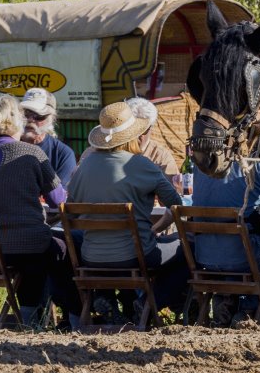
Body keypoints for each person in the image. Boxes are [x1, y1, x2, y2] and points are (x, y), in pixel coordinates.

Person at [0, 95, 78, 330]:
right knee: (63, 250)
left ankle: (31, 318)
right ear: (17, 121)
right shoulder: (32, 153)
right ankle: (72, 319)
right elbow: (58, 201)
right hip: (27, 246)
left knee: (36, 255)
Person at [66, 97, 188, 319]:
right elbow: (176, 204)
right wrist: (156, 229)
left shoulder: (84, 166)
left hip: (90, 257)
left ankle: (104, 297)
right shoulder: (143, 165)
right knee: (188, 249)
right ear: (135, 134)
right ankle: (148, 303)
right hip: (136, 255)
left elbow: (71, 209)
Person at [189, 161, 260, 321]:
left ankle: (230, 300)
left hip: (204, 257)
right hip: (243, 257)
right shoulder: (259, 165)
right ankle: (251, 304)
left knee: (238, 247)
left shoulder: (201, 165)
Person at [18, 88, 78, 184]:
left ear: (51, 118)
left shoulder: (62, 154)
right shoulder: (7, 147)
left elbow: (60, 196)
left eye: (38, 115)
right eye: (26, 113)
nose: (30, 119)